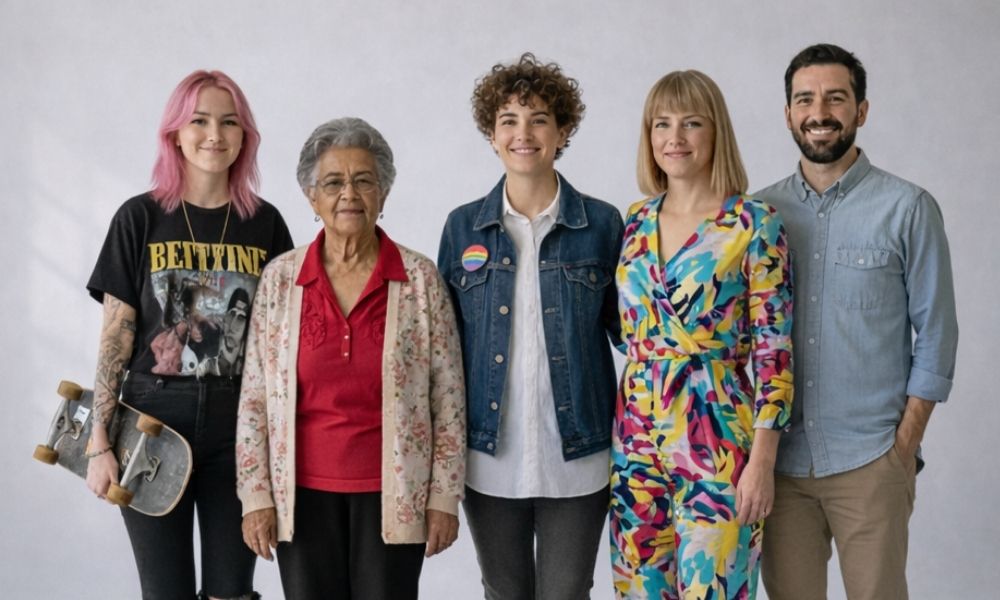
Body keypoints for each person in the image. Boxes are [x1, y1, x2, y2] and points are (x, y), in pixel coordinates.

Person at [755, 43, 958, 600]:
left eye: (835, 97)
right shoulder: (758, 215)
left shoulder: (908, 208)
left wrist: (904, 443)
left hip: (871, 460)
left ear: (861, 110)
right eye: (805, 99)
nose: (819, 111)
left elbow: (937, 332)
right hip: (782, 467)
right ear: (789, 112)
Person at [236, 117, 466, 600]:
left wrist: (445, 496)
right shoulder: (280, 279)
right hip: (299, 496)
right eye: (334, 182)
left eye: (364, 180)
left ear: (383, 193)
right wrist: (255, 496)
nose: (349, 194)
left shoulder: (420, 278)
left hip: (396, 495)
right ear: (311, 196)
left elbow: (449, 399)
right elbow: (255, 397)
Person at [85, 70, 294, 600]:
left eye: (229, 122)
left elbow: (281, 343)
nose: (213, 134)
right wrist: (98, 440)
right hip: (151, 421)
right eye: (198, 120)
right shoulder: (139, 217)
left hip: (239, 425)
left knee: (232, 591)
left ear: (245, 137)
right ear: (175, 133)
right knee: (165, 592)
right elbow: (116, 337)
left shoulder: (265, 225)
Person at [437, 52, 624, 599]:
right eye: (509, 121)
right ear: (491, 134)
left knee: (567, 593)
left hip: (580, 457)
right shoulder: (462, 226)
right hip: (488, 458)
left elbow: (634, 336)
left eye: (539, 119)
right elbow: (445, 354)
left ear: (562, 130)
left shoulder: (603, 224)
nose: (524, 133)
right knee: (504, 593)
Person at [610, 70, 793, 599]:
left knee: (715, 591)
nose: (675, 137)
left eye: (692, 123)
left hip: (719, 441)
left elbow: (773, 351)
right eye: (661, 124)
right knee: (638, 591)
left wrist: (762, 462)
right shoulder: (635, 220)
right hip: (636, 442)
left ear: (716, 132)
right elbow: (626, 331)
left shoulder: (755, 223)